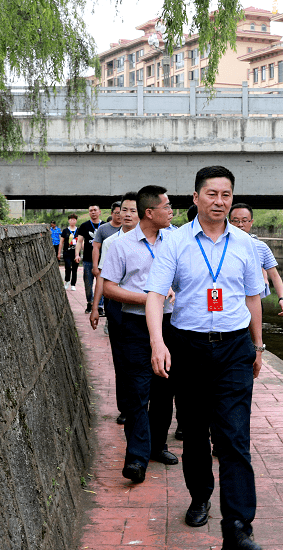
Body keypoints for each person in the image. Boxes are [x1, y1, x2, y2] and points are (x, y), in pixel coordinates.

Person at [145, 166, 266, 550]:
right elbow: (155, 295)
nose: (219, 201)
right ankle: (200, 497)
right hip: (188, 347)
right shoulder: (175, 242)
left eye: (226, 195)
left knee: (233, 437)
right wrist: (158, 343)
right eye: (212, 194)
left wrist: (258, 347)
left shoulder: (246, 244)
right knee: (195, 433)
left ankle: (236, 530)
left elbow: (252, 300)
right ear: (195, 197)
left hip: (233, 349)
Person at [92, 186, 178, 482]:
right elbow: (110, 287)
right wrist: (149, 297)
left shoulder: (177, 241)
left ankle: (158, 446)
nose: (171, 211)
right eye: (167, 206)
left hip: (170, 324)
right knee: (138, 391)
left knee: (164, 389)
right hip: (134, 326)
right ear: (150, 212)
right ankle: (136, 459)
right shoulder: (120, 245)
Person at [91, 192, 140, 425]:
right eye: (124, 210)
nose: (127, 214)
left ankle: (143, 405)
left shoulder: (159, 240)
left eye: (133, 210)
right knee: (122, 359)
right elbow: (102, 277)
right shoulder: (111, 242)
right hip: (117, 308)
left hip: (146, 310)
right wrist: (95, 307)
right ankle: (125, 407)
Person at [229, 203, 283, 316]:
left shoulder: (261, 247)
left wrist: (282, 298)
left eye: (244, 220)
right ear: (229, 222)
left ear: (251, 222)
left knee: (255, 333)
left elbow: (275, 276)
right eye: (236, 221)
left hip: (253, 300)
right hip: (229, 302)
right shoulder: (220, 245)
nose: (240, 224)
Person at [91, 200, 125, 316]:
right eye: (117, 212)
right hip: (112, 287)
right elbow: (96, 248)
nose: (121, 215)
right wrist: (95, 266)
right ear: (111, 213)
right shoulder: (107, 237)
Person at [75, 205, 103, 314]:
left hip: (102, 260)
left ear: (99, 212)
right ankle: (90, 303)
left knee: (101, 284)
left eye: (95, 210)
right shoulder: (84, 226)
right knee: (88, 284)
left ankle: (100, 306)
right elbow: (79, 241)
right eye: (91, 210)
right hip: (87, 260)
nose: (93, 212)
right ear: (88, 213)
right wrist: (77, 254)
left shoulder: (105, 225)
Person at [57, 214, 80, 290]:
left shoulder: (79, 230)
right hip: (67, 252)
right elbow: (61, 242)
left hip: (76, 253)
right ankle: (67, 281)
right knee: (67, 267)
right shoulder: (65, 230)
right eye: (71, 219)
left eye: (74, 219)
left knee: (75, 268)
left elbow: (81, 242)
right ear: (68, 221)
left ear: (76, 221)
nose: (72, 221)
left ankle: (73, 284)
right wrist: (59, 253)